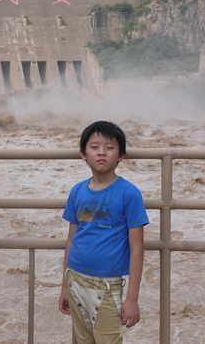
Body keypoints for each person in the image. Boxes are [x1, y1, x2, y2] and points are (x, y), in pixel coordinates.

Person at [58, 121, 149, 343]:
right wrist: (64, 287)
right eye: (94, 147)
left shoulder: (129, 194)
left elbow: (137, 248)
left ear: (121, 156)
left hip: (106, 287)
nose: (101, 152)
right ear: (83, 154)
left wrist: (132, 299)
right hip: (75, 280)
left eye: (109, 148)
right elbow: (71, 239)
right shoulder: (78, 191)